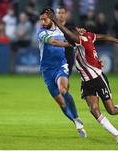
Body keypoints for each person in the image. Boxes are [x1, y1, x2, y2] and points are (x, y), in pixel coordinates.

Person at [46, 9, 118, 142]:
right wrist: (117, 41)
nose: (68, 40)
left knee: (111, 110)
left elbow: (71, 36)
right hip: (86, 81)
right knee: (94, 109)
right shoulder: (87, 35)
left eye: (69, 36)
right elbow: (102, 36)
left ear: (75, 34)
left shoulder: (81, 40)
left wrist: (55, 20)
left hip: (98, 78)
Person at [37, 8, 87, 137]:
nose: (42, 21)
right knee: (61, 103)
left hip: (61, 65)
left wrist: (80, 33)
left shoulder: (62, 29)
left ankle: (76, 117)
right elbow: (53, 42)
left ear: (51, 18)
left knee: (63, 89)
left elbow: (76, 36)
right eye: (41, 19)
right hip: (47, 71)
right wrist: (69, 44)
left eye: (45, 19)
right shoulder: (41, 32)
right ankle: (76, 122)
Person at [56, 6, 75, 76]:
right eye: (59, 13)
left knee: (65, 77)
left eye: (63, 13)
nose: (61, 15)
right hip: (56, 55)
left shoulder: (71, 26)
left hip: (68, 55)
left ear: (66, 14)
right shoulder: (53, 27)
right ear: (56, 14)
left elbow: (74, 41)